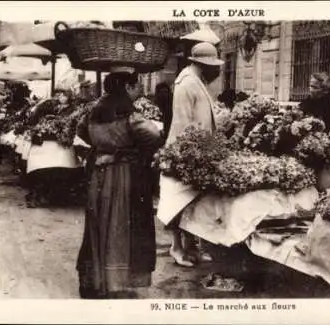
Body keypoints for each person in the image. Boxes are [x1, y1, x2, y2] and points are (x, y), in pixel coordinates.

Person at [76, 70, 163, 299]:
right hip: (122, 174)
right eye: (135, 86)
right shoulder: (129, 114)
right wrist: (127, 148)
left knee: (98, 224)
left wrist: (102, 146)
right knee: (119, 224)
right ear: (126, 87)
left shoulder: (93, 111)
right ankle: (116, 283)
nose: (138, 91)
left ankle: (96, 281)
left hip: (97, 174)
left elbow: (81, 131)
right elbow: (153, 135)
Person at [160, 42, 224, 268]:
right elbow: (182, 122)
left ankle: (191, 246)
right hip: (185, 153)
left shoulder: (197, 81)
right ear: (202, 64)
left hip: (199, 151)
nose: (216, 71)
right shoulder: (186, 83)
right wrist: (187, 156)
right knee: (178, 203)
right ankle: (176, 247)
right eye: (213, 66)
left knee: (194, 203)